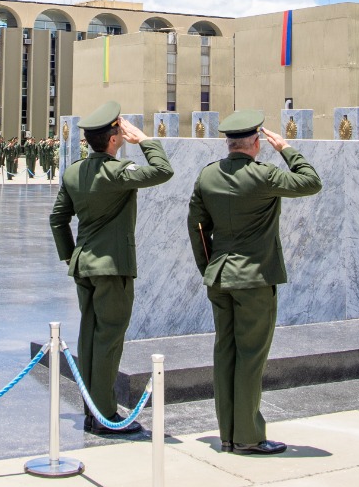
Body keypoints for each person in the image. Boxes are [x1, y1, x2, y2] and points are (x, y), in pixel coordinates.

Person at [188, 109, 322, 455]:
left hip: (219, 276)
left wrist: (210, 266)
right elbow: (311, 181)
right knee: (250, 358)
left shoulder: (207, 176)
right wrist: (287, 149)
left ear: (230, 144)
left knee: (225, 354)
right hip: (254, 279)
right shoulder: (264, 176)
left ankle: (228, 434)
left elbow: (197, 228)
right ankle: (247, 436)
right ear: (256, 144)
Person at [48, 100, 173, 436]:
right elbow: (163, 171)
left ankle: (92, 409)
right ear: (115, 139)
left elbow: (57, 219)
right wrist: (145, 139)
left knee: (88, 338)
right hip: (112, 268)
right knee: (108, 341)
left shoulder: (74, 171)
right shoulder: (116, 172)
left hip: (84, 267)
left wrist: (71, 256)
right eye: (120, 131)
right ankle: (104, 414)